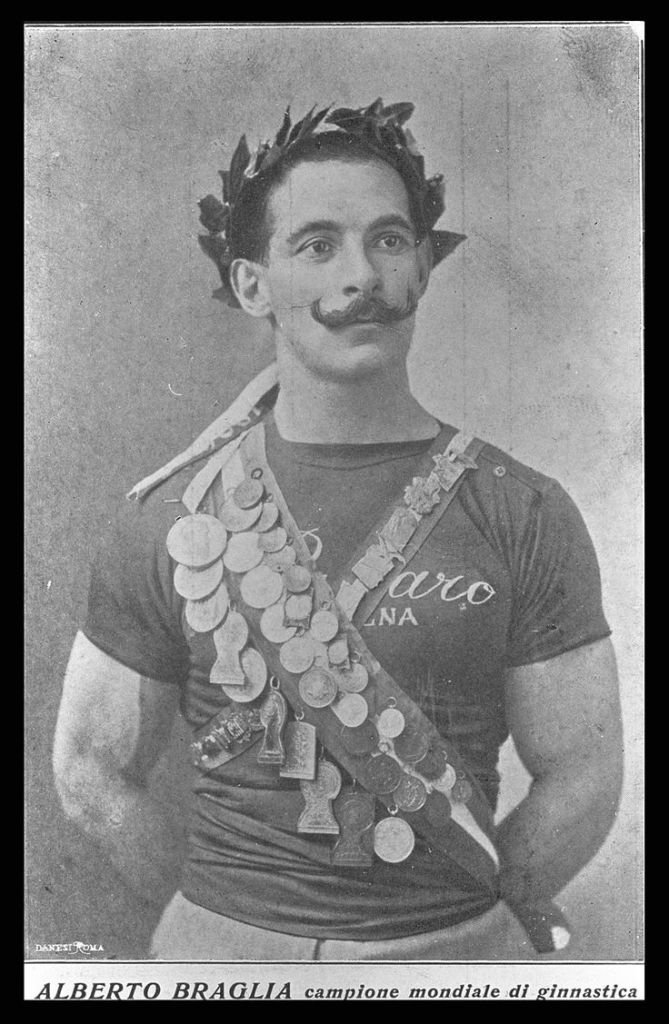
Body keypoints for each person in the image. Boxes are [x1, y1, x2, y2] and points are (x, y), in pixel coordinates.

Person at [52, 98, 623, 962]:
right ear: (252, 285)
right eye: (316, 246)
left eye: (388, 240)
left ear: (424, 266)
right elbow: (89, 769)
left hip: (451, 955)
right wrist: (220, 923)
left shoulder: (524, 510)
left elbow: (582, 772)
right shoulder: (173, 518)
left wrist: (471, 933)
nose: (360, 275)